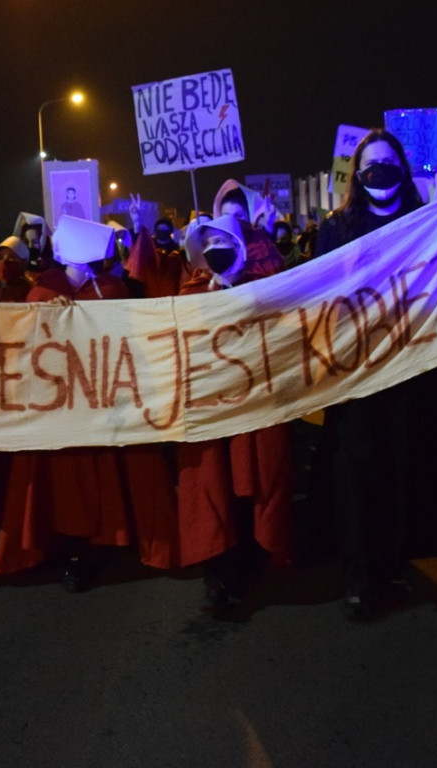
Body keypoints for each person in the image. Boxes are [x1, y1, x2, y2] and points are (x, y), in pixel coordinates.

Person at [311, 128, 437, 621]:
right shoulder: (338, 227)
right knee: (357, 472)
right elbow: (317, 295)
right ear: (357, 173)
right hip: (358, 376)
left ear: (402, 168)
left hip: (414, 374)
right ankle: (358, 577)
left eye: (388, 162)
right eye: (370, 164)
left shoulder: (426, 223)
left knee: (403, 469)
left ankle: (390, 564)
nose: (379, 171)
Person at [0, 216, 133, 592]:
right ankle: (65, 544)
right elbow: (23, 339)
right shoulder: (41, 291)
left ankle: (91, 543)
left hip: (98, 398)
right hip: (55, 400)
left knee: (93, 475)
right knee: (61, 479)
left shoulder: (111, 288)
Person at [176, 214, 294, 608]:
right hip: (209, 414)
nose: (215, 251)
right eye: (207, 246)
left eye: (222, 242)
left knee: (249, 481)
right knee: (212, 485)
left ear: (240, 247)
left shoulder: (264, 293)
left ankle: (245, 560)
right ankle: (217, 572)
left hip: (253, 410)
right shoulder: (189, 296)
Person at [125, 193, 192, 299]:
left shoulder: (178, 251)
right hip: (151, 296)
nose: (162, 232)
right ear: (156, 231)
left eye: (165, 230)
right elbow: (139, 245)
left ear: (170, 231)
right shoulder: (149, 248)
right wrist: (137, 221)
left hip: (174, 297)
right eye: (160, 229)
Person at [0, 236, 33, 302]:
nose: (4, 261)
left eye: (12, 257)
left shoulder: (31, 291)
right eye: (0, 257)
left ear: (22, 263)